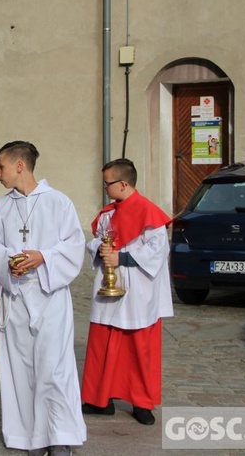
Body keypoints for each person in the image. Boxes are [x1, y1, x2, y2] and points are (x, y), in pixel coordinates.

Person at [0, 141, 86, 456]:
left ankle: (58, 436)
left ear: (20, 166)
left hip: (49, 295)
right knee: (19, 369)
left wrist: (44, 257)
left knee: (54, 368)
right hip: (15, 297)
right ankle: (27, 437)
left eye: (1, 166)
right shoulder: (0, 207)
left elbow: (74, 246)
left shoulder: (59, 202)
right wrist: (9, 262)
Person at [81, 158, 173, 426]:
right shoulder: (108, 212)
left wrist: (120, 258)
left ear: (123, 183)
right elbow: (97, 238)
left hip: (138, 290)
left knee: (139, 346)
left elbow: (156, 250)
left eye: (107, 183)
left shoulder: (149, 212)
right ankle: (100, 400)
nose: (105, 188)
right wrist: (101, 249)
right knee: (103, 343)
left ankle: (142, 404)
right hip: (108, 286)